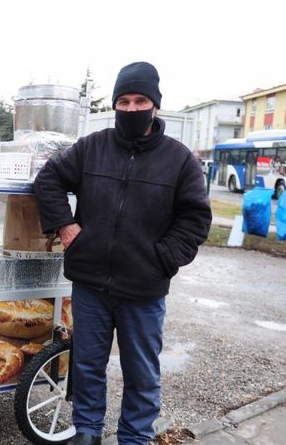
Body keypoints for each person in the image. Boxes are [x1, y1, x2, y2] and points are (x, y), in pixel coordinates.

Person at [33, 62, 212, 445]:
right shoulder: (92, 147)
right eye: (124, 101)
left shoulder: (180, 160)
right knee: (87, 365)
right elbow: (47, 180)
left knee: (142, 373)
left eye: (141, 100)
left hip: (144, 290)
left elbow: (195, 220)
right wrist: (65, 226)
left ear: (155, 105)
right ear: (116, 105)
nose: (132, 109)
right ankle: (87, 432)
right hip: (90, 283)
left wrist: (161, 258)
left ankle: (134, 437)